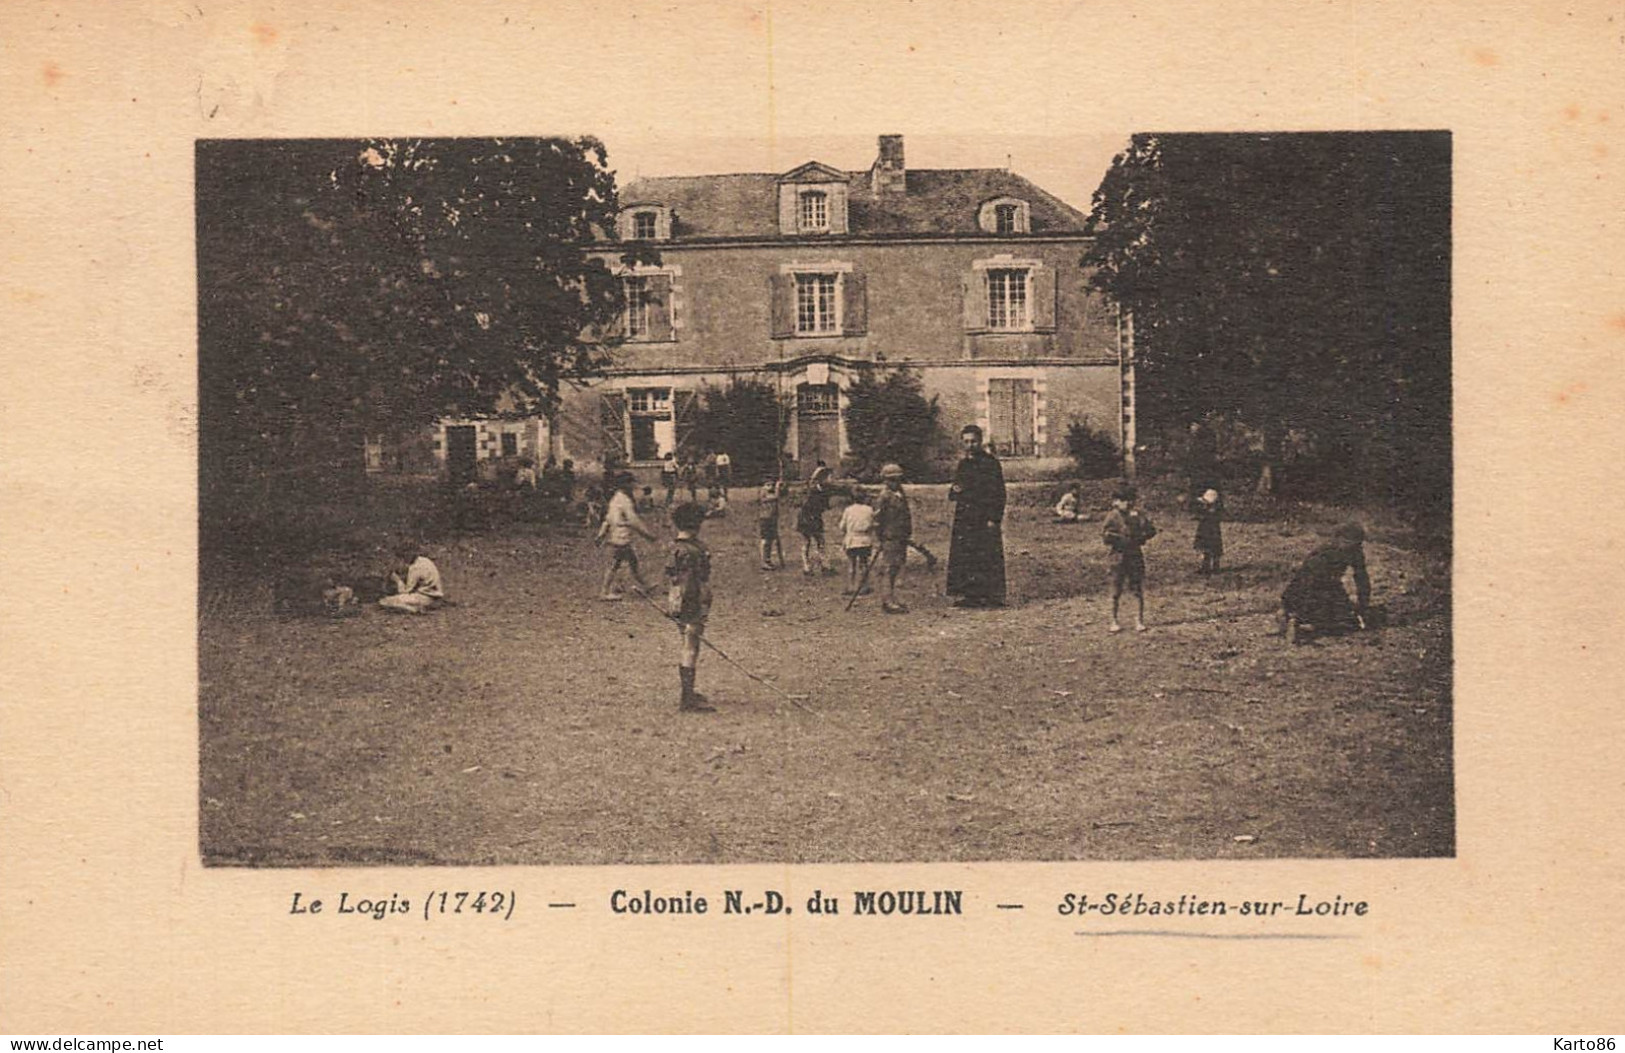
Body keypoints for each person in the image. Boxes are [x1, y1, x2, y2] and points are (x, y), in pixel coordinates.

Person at [946, 424, 1007, 608]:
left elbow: (999, 493)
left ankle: (991, 596)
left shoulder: (990, 463)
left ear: (980, 442)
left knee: (987, 555)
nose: (970, 445)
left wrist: (993, 518)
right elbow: (955, 490)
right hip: (965, 518)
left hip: (984, 518)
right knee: (966, 556)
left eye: (973, 441)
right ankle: (970, 595)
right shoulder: (963, 464)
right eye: (966, 442)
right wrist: (955, 490)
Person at [1280, 521, 1371, 644]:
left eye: (1356, 544)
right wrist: (1298, 609)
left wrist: (1363, 605)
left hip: (1331, 587)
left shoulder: (1355, 552)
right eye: (1348, 543)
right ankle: (1292, 618)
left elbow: (1362, 578)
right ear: (1338, 538)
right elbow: (1306, 583)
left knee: (1346, 622)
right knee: (1322, 620)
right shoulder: (1323, 553)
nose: (1351, 547)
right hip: (1306, 590)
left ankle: (1310, 622)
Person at [665, 502, 716, 713]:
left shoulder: (676, 548)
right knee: (691, 646)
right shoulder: (695, 550)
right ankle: (687, 697)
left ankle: (688, 691)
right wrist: (700, 605)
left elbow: (673, 576)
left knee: (687, 644)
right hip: (692, 601)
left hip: (677, 600)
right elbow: (693, 582)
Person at [1102, 483, 1157, 633]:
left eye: (1121, 500)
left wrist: (1141, 536)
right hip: (1118, 555)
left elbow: (1151, 530)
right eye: (1117, 501)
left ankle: (1139, 621)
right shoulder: (1113, 516)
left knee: (1136, 589)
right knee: (1115, 590)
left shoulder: (1138, 514)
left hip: (1134, 554)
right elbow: (1105, 536)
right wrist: (1118, 538)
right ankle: (1113, 620)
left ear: (1130, 501)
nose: (1117, 503)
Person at [595, 472, 656, 601]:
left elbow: (607, 519)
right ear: (625, 485)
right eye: (631, 483)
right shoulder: (624, 501)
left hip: (618, 537)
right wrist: (648, 535)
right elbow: (633, 520)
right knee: (614, 565)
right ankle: (604, 592)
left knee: (633, 563)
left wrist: (601, 534)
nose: (633, 485)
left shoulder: (615, 499)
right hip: (620, 538)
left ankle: (646, 585)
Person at [873, 463, 913, 613]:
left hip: (900, 536)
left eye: (898, 479)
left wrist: (908, 532)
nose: (896, 483)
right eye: (891, 480)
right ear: (885, 480)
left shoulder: (901, 494)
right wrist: (881, 537)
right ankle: (887, 600)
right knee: (889, 569)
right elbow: (877, 519)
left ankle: (893, 597)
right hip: (889, 537)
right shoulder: (884, 496)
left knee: (897, 568)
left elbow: (906, 515)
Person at [378, 543, 446, 614]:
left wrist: (397, 580)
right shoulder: (424, 560)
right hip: (435, 597)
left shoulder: (415, 568)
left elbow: (405, 591)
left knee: (385, 601)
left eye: (403, 557)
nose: (403, 560)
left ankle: (413, 609)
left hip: (426, 598)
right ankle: (414, 607)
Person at [797, 465, 835, 576]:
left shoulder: (825, 490)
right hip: (807, 518)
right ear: (823, 479)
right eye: (829, 477)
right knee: (808, 542)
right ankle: (807, 567)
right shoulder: (813, 491)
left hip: (815, 518)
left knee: (820, 542)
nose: (831, 479)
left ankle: (824, 566)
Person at [838, 488, 877, 596]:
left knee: (852, 564)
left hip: (852, 540)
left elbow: (842, 526)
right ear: (864, 498)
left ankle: (851, 586)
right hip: (865, 540)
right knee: (863, 563)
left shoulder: (848, 510)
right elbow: (873, 524)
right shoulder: (869, 510)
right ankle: (863, 586)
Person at [1193, 487, 1225, 573]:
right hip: (1206, 531)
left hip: (1210, 532)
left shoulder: (1212, 514)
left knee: (1213, 548)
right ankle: (1206, 566)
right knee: (1206, 549)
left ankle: (1215, 566)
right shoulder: (1208, 513)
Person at [756, 478, 784, 570]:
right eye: (768, 485)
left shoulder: (770, 493)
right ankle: (763, 561)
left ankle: (767, 559)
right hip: (765, 519)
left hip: (772, 519)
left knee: (771, 541)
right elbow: (776, 497)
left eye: (771, 485)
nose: (770, 487)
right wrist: (777, 487)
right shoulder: (763, 494)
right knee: (765, 541)